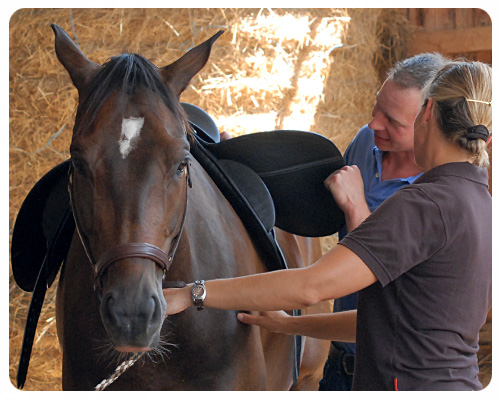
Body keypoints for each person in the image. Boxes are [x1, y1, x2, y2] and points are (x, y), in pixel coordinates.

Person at [164, 60, 492, 390]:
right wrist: (288, 326)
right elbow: (389, 324)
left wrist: (192, 293)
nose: (376, 123)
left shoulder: (424, 205)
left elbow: (311, 286)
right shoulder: (480, 203)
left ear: (427, 110)